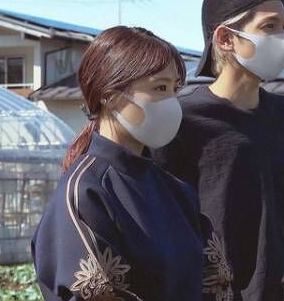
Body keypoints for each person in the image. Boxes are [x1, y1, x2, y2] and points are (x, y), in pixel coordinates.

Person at [149, 0, 284, 301]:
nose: (282, 39)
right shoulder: (181, 119)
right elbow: (153, 219)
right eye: (269, 27)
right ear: (226, 38)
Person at [31, 26, 233, 300]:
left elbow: (214, 282)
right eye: (159, 88)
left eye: (174, 89)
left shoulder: (176, 191)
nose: (172, 102)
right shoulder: (85, 193)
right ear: (109, 94)